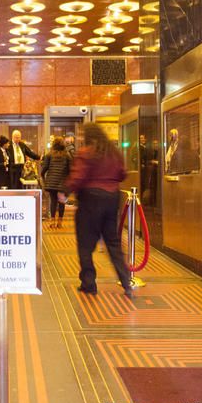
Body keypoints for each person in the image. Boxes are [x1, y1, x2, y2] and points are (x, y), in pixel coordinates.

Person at [64, 123, 132, 298]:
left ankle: (89, 284)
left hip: (90, 200)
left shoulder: (86, 152)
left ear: (88, 136)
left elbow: (78, 177)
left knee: (85, 245)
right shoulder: (114, 152)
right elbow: (123, 174)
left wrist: (65, 191)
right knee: (113, 242)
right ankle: (126, 282)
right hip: (112, 198)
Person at [41, 136, 71, 229]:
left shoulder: (49, 155)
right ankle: (60, 223)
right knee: (62, 203)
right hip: (63, 183)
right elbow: (71, 170)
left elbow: (44, 169)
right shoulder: (67, 155)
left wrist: (44, 179)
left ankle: (53, 222)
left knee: (53, 202)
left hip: (52, 183)